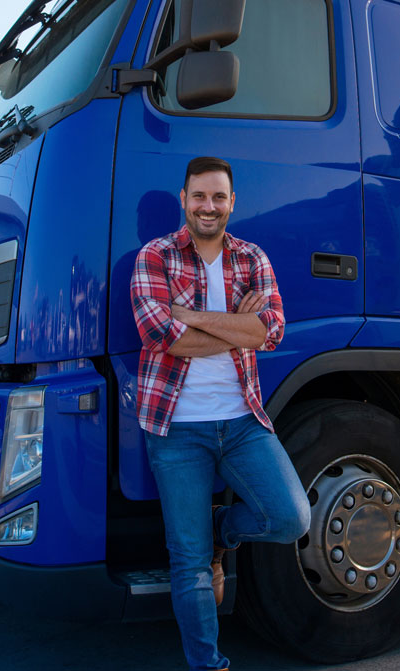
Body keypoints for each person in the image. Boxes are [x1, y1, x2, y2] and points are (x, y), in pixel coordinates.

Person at [130, 156, 310, 671]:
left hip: (242, 419)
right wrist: (237, 325)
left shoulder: (252, 257)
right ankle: (208, 664)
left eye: (219, 197)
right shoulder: (155, 257)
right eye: (200, 196)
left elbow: (271, 333)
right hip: (175, 428)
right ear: (183, 199)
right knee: (188, 563)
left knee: (290, 517)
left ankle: (223, 529)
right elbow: (161, 336)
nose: (209, 206)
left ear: (233, 203)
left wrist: (194, 319)